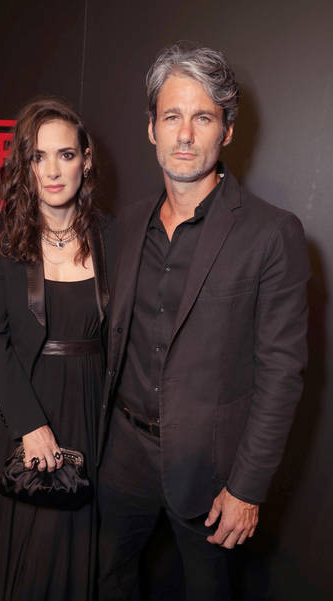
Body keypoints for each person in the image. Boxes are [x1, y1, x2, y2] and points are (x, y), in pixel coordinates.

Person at [98, 42, 310, 600]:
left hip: (212, 469)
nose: (185, 134)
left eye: (202, 117)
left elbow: (281, 373)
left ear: (228, 131)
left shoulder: (272, 233)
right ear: (151, 129)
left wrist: (246, 487)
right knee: (106, 579)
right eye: (171, 116)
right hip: (121, 453)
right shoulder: (127, 224)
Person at [0, 97, 109, 601]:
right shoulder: (2, 234)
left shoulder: (112, 236)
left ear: (87, 159)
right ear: (25, 165)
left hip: (89, 408)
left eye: (66, 155)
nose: (53, 171)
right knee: (26, 548)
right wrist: (29, 425)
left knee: (75, 548)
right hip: (24, 405)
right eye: (38, 157)